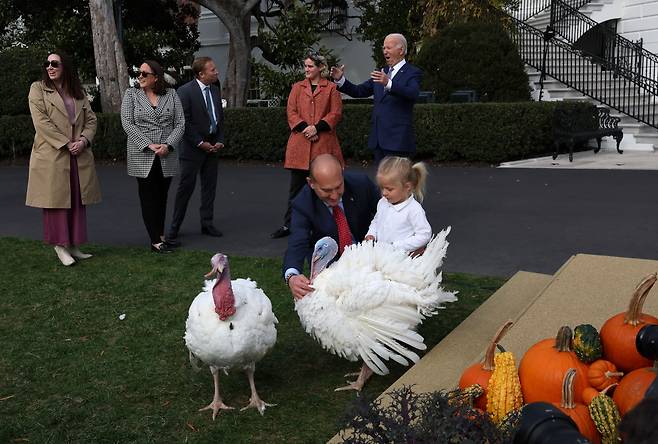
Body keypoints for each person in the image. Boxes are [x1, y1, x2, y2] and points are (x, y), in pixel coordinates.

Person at [26, 51, 101, 266]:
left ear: (64, 66)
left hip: (78, 154)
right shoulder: (37, 89)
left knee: (77, 199)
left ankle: (73, 244)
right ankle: (60, 245)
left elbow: (91, 120)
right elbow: (41, 123)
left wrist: (84, 140)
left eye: (54, 63)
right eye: (47, 63)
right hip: (53, 155)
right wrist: (67, 143)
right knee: (56, 202)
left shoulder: (77, 91)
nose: (49, 67)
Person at [283, 154, 379, 299]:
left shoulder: (361, 184)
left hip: (368, 256)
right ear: (311, 183)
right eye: (326, 190)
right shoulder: (302, 204)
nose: (335, 196)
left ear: (342, 173)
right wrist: (292, 276)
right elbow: (297, 241)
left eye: (339, 187)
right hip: (331, 267)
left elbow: (387, 214)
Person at [271, 51, 344, 239]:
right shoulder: (297, 87)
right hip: (300, 146)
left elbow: (335, 114)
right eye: (305, 66)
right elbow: (291, 111)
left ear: (320, 67)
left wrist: (316, 128)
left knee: (322, 187)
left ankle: (323, 226)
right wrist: (306, 128)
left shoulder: (331, 89)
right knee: (296, 188)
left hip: (323, 145)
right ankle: (289, 225)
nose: (306, 69)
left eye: (310, 66)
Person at [120, 59, 185, 253]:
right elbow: (127, 123)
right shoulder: (131, 95)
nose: (139, 77)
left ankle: (161, 235)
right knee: (148, 197)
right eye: (138, 73)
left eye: (144, 74)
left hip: (166, 154)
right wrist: (148, 145)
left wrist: (168, 145)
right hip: (142, 154)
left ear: (156, 77)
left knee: (162, 196)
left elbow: (180, 123)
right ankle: (155, 240)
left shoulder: (172, 94)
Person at [330, 33, 422, 164]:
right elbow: (359, 91)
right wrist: (341, 80)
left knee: (398, 181)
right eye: (384, 48)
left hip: (398, 140)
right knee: (382, 182)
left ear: (401, 50)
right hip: (379, 140)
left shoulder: (412, 72)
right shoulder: (382, 72)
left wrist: (388, 83)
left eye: (388, 48)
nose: (385, 51)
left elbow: (412, 93)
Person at [166, 56, 225, 244]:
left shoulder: (215, 90)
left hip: (212, 147)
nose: (216, 72)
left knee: (209, 188)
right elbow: (184, 121)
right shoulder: (185, 91)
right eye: (213, 70)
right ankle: (175, 226)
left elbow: (219, 119)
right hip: (192, 150)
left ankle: (207, 223)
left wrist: (219, 140)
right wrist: (199, 143)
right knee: (186, 188)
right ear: (201, 74)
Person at [364, 156, 431, 255]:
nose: (384, 193)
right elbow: (376, 221)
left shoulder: (414, 209)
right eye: (382, 188)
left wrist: (398, 246)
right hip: (382, 255)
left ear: (407, 187)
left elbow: (424, 235)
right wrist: (371, 234)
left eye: (389, 189)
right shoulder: (382, 202)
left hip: (404, 258)